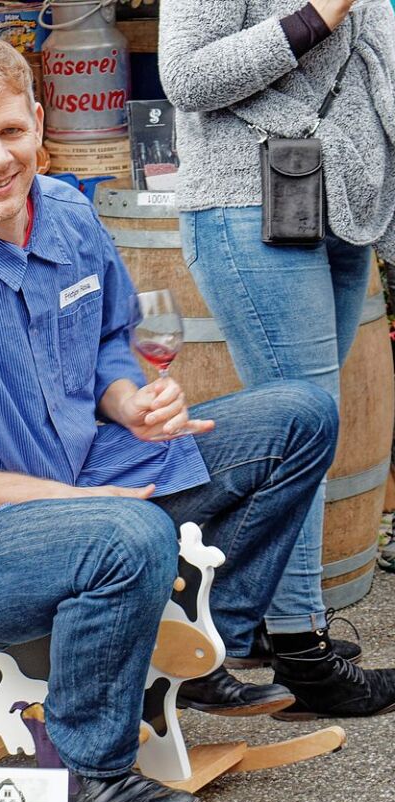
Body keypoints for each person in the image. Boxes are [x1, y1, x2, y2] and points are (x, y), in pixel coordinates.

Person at [0, 37, 367, 802]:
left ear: (38, 122)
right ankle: (94, 769)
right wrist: (75, 502)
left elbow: (112, 340)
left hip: (92, 468)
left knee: (299, 417)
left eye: (10, 132)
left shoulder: (73, 214)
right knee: (128, 531)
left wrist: (127, 402)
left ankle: (206, 646)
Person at [159, 0, 395, 714]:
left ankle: (269, 619)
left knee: (312, 431)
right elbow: (188, 77)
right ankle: (302, 646)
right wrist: (318, 15)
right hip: (245, 201)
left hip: (343, 208)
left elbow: (379, 87)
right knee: (305, 423)